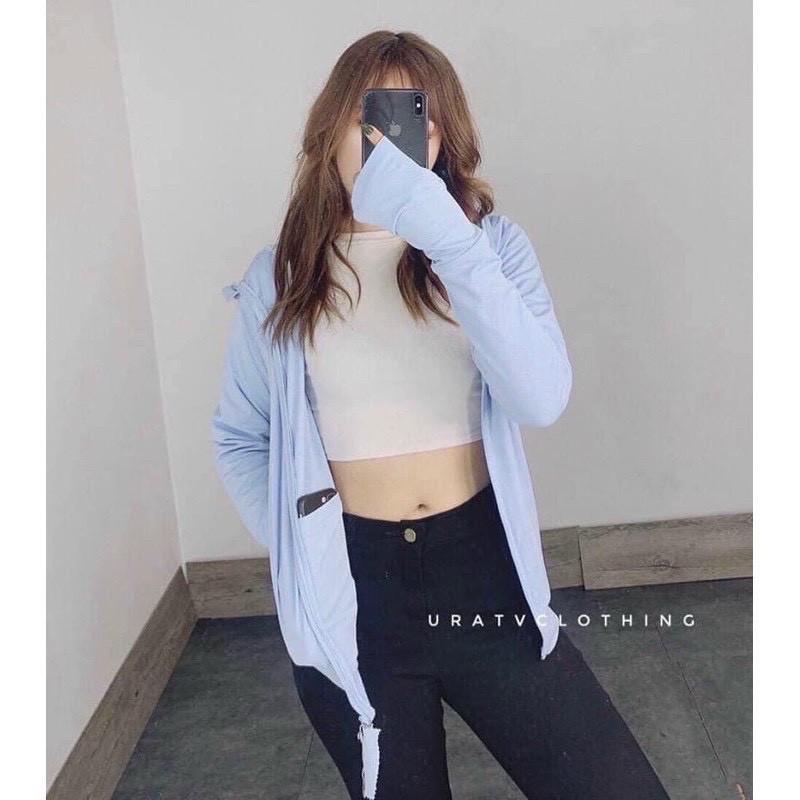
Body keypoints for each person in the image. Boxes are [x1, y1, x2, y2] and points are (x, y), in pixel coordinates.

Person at [212, 30, 670, 800]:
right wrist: (301, 551)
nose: (391, 142)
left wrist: (447, 238)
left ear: (442, 136)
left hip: (483, 575)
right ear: (331, 130)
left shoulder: (488, 248)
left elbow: (541, 397)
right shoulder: (283, 277)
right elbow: (240, 438)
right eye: (373, 116)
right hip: (355, 593)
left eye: (413, 118)